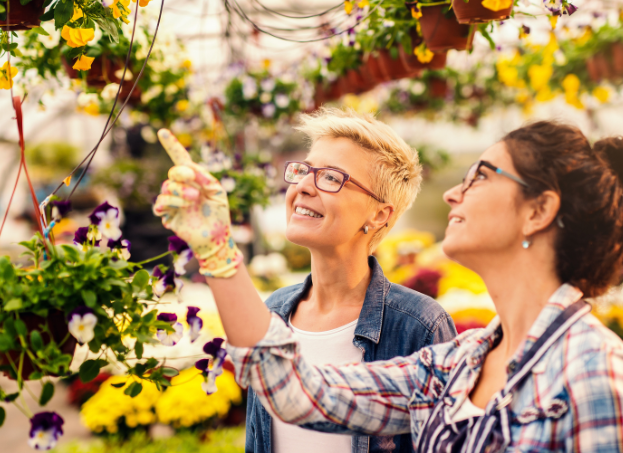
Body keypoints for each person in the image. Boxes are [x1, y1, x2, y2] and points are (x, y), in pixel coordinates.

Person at [153, 119, 623, 452]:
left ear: (538, 210)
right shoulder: (456, 367)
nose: (452, 194)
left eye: (481, 176)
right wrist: (216, 249)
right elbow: (296, 391)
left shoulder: (593, 374)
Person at [154, 108, 455, 453]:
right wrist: (214, 247)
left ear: (378, 214)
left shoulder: (420, 326)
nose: (304, 186)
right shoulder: (273, 312)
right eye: (303, 170)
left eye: (331, 177)